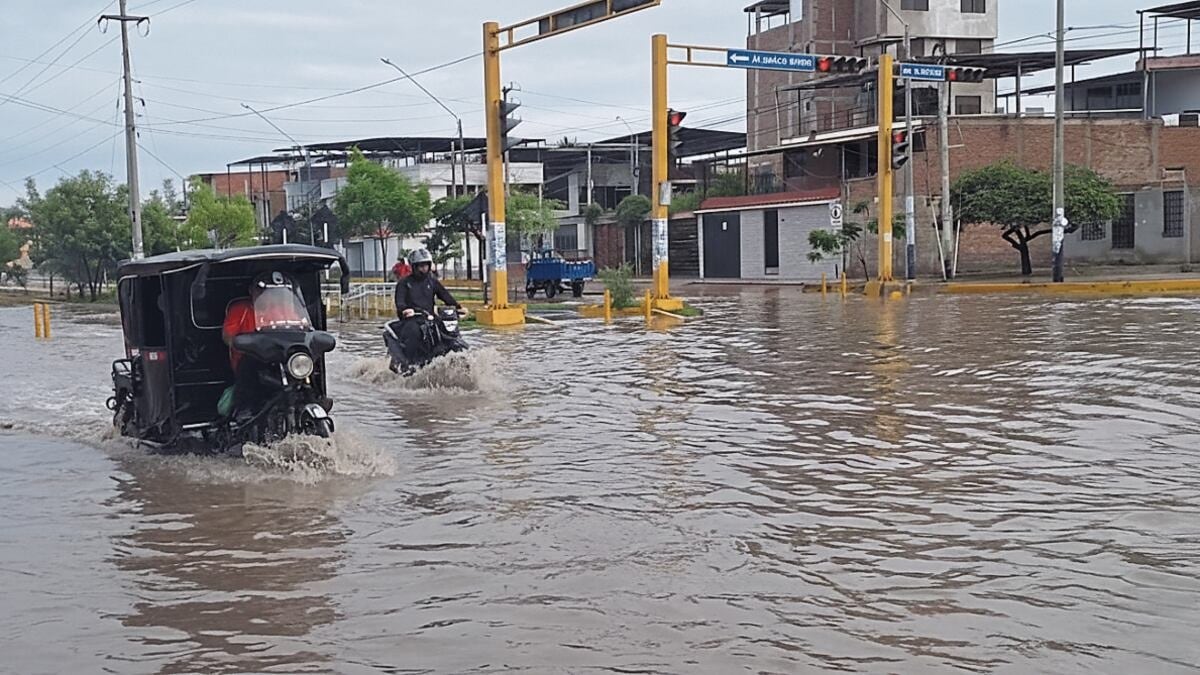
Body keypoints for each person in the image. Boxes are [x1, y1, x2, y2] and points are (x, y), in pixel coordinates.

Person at [220, 271, 310, 417]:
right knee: (249, 364)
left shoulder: (283, 309)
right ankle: (245, 408)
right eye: (262, 290)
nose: (266, 294)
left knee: (302, 360)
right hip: (250, 357)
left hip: (280, 355)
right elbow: (228, 336)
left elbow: (300, 328)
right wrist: (243, 343)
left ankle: (311, 396)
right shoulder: (240, 309)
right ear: (252, 291)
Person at [394, 249, 464, 363]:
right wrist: (405, 310)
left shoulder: (432, 281)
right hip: (412, 319)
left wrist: (458, 307)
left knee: (447, 330)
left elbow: (445, 295)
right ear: (414, 267)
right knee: (414, 332)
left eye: (426, 265)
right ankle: (411, 363)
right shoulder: (404, 283)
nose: (424, 269)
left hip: (430, 318)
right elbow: (400, 302)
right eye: (421, 266)